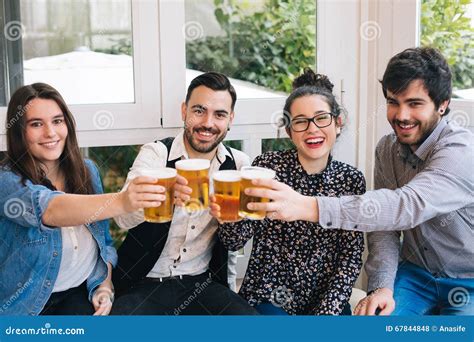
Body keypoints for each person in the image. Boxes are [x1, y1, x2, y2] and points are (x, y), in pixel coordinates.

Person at [240, 47, 474, 315]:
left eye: (415, 104)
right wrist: (381, 286)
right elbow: (384, 228)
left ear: (442, 104)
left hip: (468, 280)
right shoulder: (387, 149)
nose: (401, 115)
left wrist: (306, 206)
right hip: (416, 276)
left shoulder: (462, 152)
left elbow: (407, 205)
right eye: (393, 102)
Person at [201, 69, 366, 315]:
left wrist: (326, 313)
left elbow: (350, 258)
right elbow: (234, 240)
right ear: (289, 131)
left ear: (337, 123)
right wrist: (230, 220)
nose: (312, 129)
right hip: (268, 297)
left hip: (325, 300)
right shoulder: (267, 168)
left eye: (321, 118)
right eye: (300, 121)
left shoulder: (351, 180)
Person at [0, 83, 166, 315]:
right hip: (26, 306)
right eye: (36, 124)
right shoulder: (7, 180)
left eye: (57, 121)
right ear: (19, 132)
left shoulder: (86, 171)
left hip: (79, 294)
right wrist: (123, 201)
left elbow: (104, 243)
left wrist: (103, 286)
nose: (50, 133)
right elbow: (50, 210)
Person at [111, 72, 257, 315]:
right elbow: (121, 219)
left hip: (202, 284)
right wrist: (162, 196)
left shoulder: (239, 165)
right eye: (199, 110)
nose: (208, 123)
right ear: (184, 111)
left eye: (219, 114)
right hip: (144, 282)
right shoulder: (157, 154)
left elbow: (234, 245)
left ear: (230, 119)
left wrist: (230, 291)